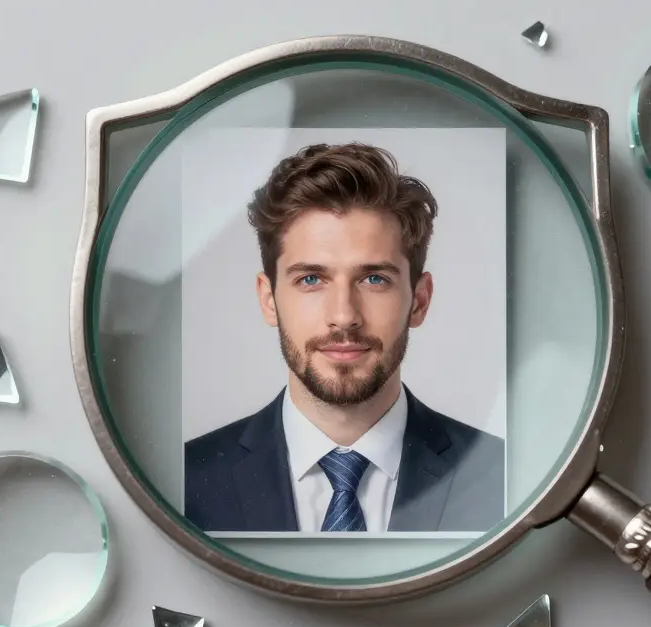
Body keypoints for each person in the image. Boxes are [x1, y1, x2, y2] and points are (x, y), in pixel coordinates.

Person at [184, 143, 504, 533]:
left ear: (419, 301)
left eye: (374, 279)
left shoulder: (504, 479)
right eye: (311, 279)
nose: (343, 316)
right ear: (269, 300)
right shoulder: (184, 482)